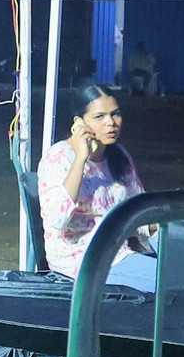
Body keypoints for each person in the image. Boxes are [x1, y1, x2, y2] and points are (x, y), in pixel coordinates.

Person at [37, 82, 147, 277]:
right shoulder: (58, 157)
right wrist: (81, 158)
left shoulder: (118, 156)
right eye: (99, 117)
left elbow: (138, 209)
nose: (111, 122)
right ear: (79, 123)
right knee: (165, 284)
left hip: (120, 255)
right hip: (80, 263)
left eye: (115, 114)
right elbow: (57, 218)